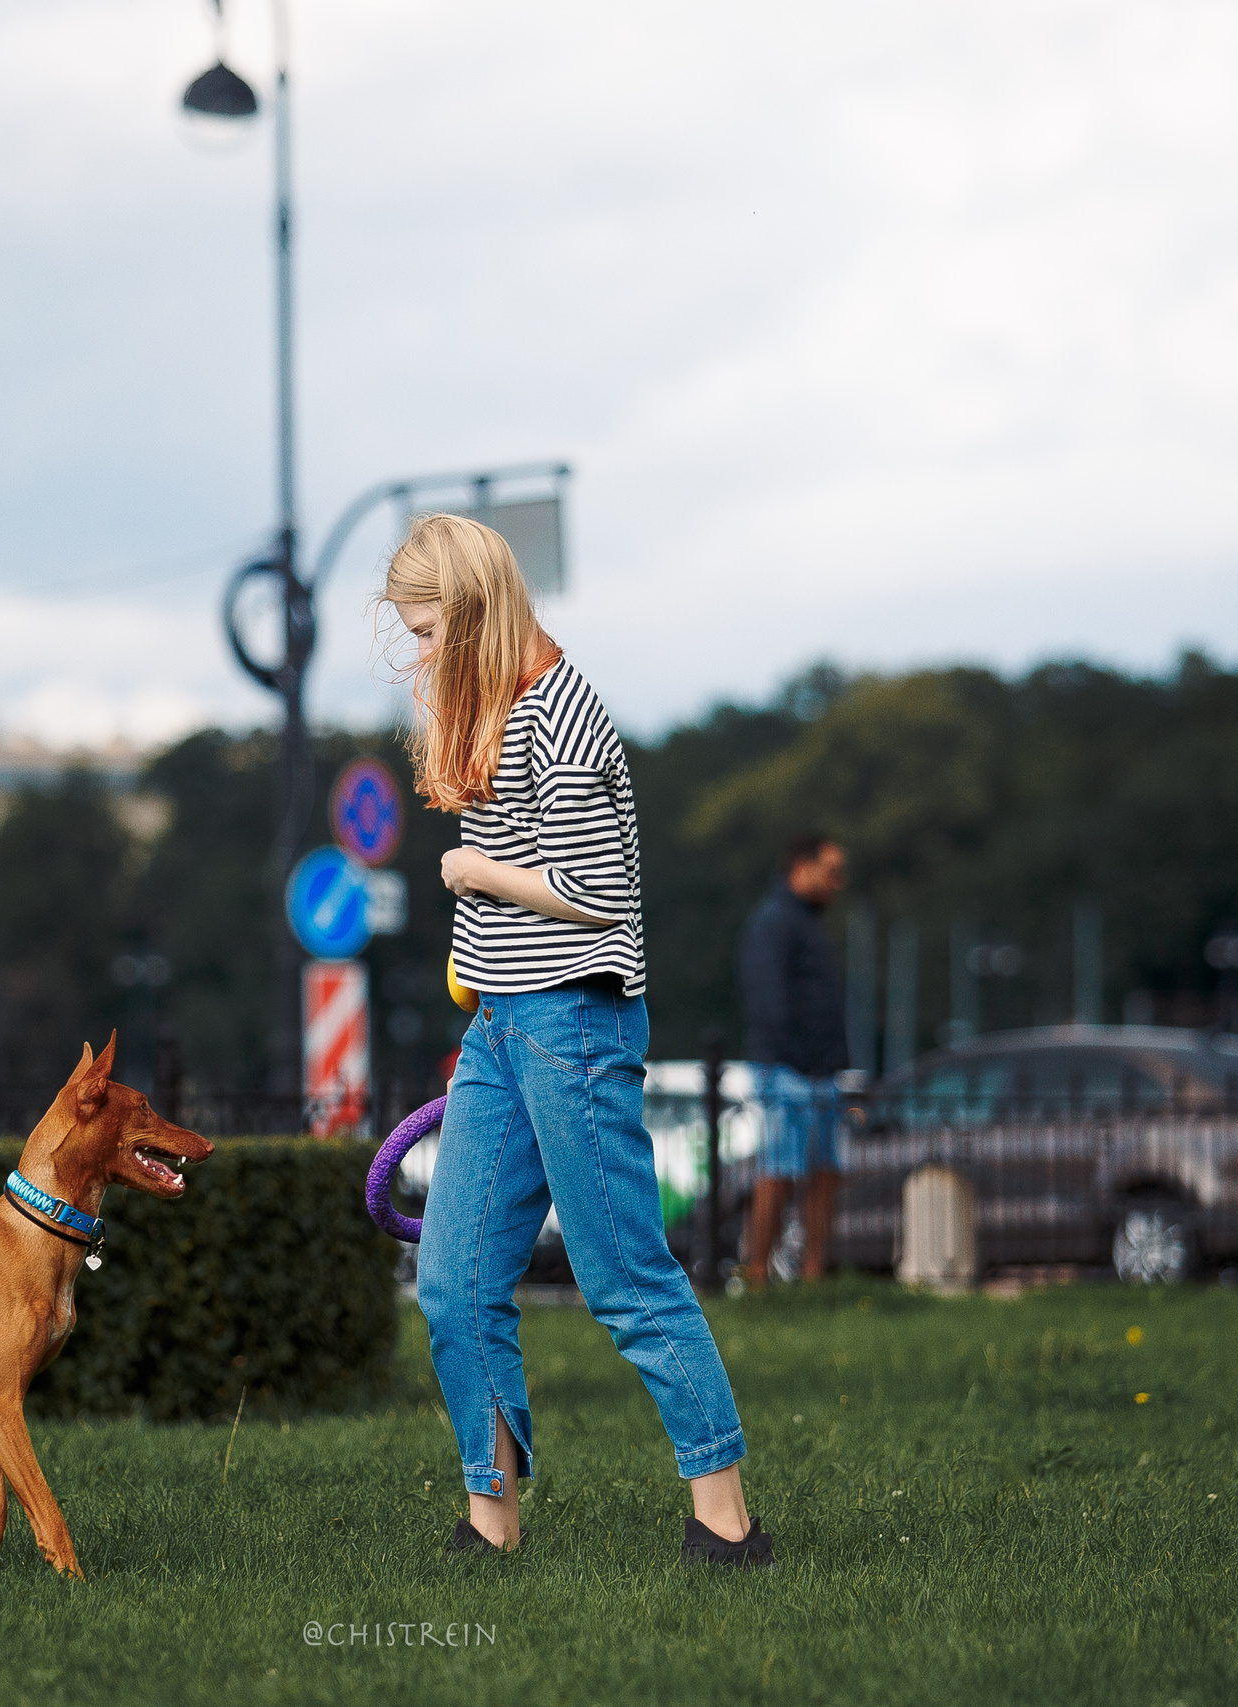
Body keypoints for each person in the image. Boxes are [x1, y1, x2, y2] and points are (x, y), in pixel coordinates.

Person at [385, 512, 770, 1568]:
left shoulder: (562, 712)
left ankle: (726, 1526)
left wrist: (472, 875)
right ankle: (489, 1521)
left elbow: (597, 896)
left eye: (426, 632)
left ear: (471, 613)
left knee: (623, 1276)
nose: (418, 653)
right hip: (502, 1025)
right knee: (456, 1285)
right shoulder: (494, 707)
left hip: (575, 1018)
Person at [737, 834, 850, 1287]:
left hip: (820, 1071)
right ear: (801, 868)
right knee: (779, 1172)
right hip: (787, 1069)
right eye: (831, 872)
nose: (837, 883)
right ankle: (758, 1275)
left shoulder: (806, 923)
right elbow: (767, 1000)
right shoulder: (773, 921)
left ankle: (813, 1277)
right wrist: (796, 1056)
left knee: (825, 1175)